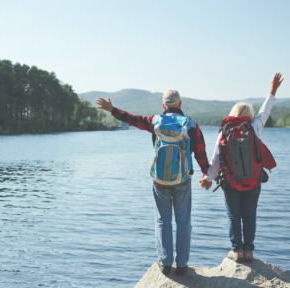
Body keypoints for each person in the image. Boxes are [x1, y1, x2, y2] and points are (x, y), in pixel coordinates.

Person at [96, 90, 209, 275]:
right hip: (183, 180)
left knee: (162, 221)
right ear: (180, 104)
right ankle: (182, 266)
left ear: (164, 106)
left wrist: (112, 109)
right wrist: (206, 175)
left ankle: (165, 263)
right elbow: (201, 153)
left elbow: (132, 119)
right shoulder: (191, 124)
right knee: (183, 222)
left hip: (159, 181)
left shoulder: (155, 121)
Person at [200, 73, 284, 262]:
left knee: (234, 216)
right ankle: (249, 251)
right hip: (253, 181)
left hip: (230, 182)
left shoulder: (224, 132)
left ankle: (236, 251)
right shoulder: (253, 128)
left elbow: (215, 158)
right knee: (250, 216)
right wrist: (272, 90)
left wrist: (208, 179)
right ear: (248, 116)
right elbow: (265, 112)